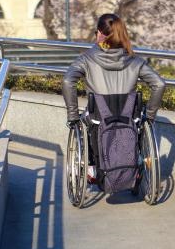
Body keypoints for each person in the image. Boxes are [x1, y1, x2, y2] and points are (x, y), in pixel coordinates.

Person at [62, 13, 166, 182]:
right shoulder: (135, 60)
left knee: (82, 120)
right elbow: (159, 84)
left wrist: (72, 115)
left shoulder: (86, 59)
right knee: (138, 121)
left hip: (98, 119)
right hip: (129, 118)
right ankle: (135, 163)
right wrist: (150, 116)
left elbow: (67, 81)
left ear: (100, 34)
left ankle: (92, 167)